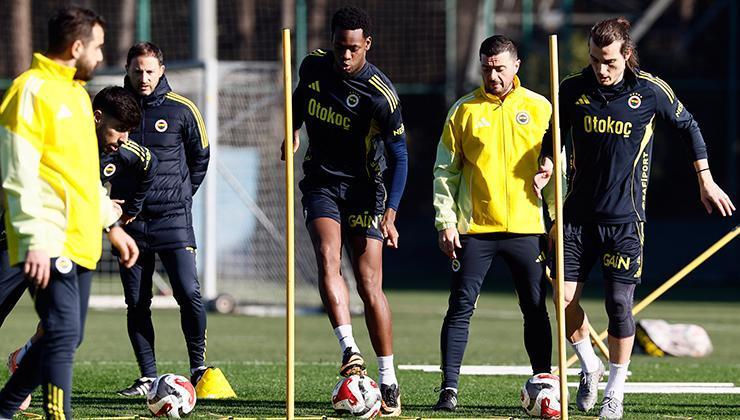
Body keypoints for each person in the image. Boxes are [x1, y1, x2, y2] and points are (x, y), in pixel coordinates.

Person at [533, 17, 735, 419]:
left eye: (608, 61)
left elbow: (689, 127)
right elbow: (554, 134)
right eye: (594, 60)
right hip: (577, 217)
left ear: (626, 54)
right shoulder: (572, 88)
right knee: (562, 298)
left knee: (618, 305)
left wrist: (706, 180)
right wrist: (547, 163)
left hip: (625, 220)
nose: (601, 69)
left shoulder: (650, 91)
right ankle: (589, 365)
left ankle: (615, 390)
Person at [0, 7, 139, 417]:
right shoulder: (29, 91)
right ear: (77, 47)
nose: (101, 55)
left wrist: (111, 224)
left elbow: (81, 176)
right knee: (61, 335)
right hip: (48, 237)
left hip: (80, 240)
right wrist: (32, 239)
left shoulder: (77, 96)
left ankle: (5, 407)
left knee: (67, 335)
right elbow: (17, 173)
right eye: (98, 47)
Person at [283, 5, 408, 416]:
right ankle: (350, 350)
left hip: (365, 191)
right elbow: (299, 99)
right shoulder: (314, 66)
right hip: (321, 182)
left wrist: (391, 211)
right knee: (327, 255)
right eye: (340, 46)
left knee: (369, 284)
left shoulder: (380, 95)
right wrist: (293, 128)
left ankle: (388, 376)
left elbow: (400, 156)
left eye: (353, 48)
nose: (346, 55)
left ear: (367, 44)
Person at [432, 35, 559, 411]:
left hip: (527, 227)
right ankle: (449, 389)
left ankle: (544, 382)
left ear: (516, 66)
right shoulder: (464, 110)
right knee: (460, 306)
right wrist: (445, 221)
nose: (493, 76)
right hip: (476, 230)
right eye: (486, 68)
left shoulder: (541, 107)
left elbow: (558, 170)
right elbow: (445, 171)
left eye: (500, 68)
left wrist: (556, 220)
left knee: (535, 307)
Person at [114, 41, 211, 396]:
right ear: (127, 70)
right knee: (137, 302)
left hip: (173, 220)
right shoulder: (113, 110)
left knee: (188, 292)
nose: (143, 78)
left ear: (162, 71)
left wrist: (182, 194)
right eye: (137, 71)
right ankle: (148, 377)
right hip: (130, 224)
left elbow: (201, 157)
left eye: (150, 71)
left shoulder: (182, 109)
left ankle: (198, 368)